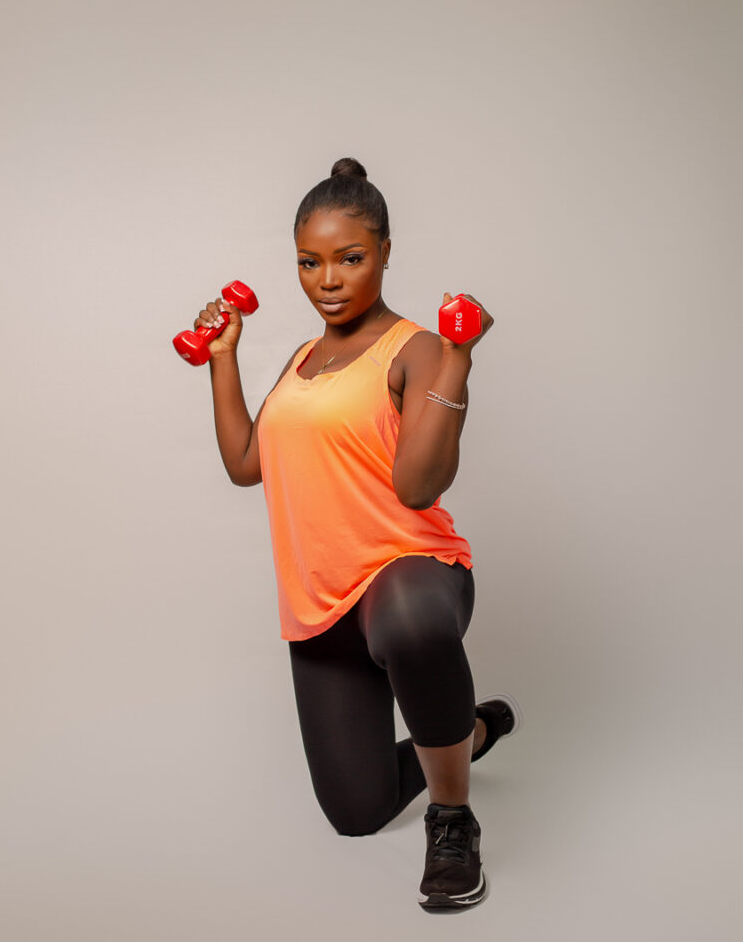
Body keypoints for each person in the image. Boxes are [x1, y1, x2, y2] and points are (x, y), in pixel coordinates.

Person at [191, 157, 522, 910]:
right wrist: (222, 358)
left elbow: (418, 486)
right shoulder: (301, 360)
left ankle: (453, 818)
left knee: (405, 617)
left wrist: (460, 359)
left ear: (384, 252)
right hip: (322, 610)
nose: (328, 279)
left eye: (350, 258)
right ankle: (466, 733)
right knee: (356, 811)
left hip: (410, 580)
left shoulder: (414, 348)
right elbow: (248, 464)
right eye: (310, 262)